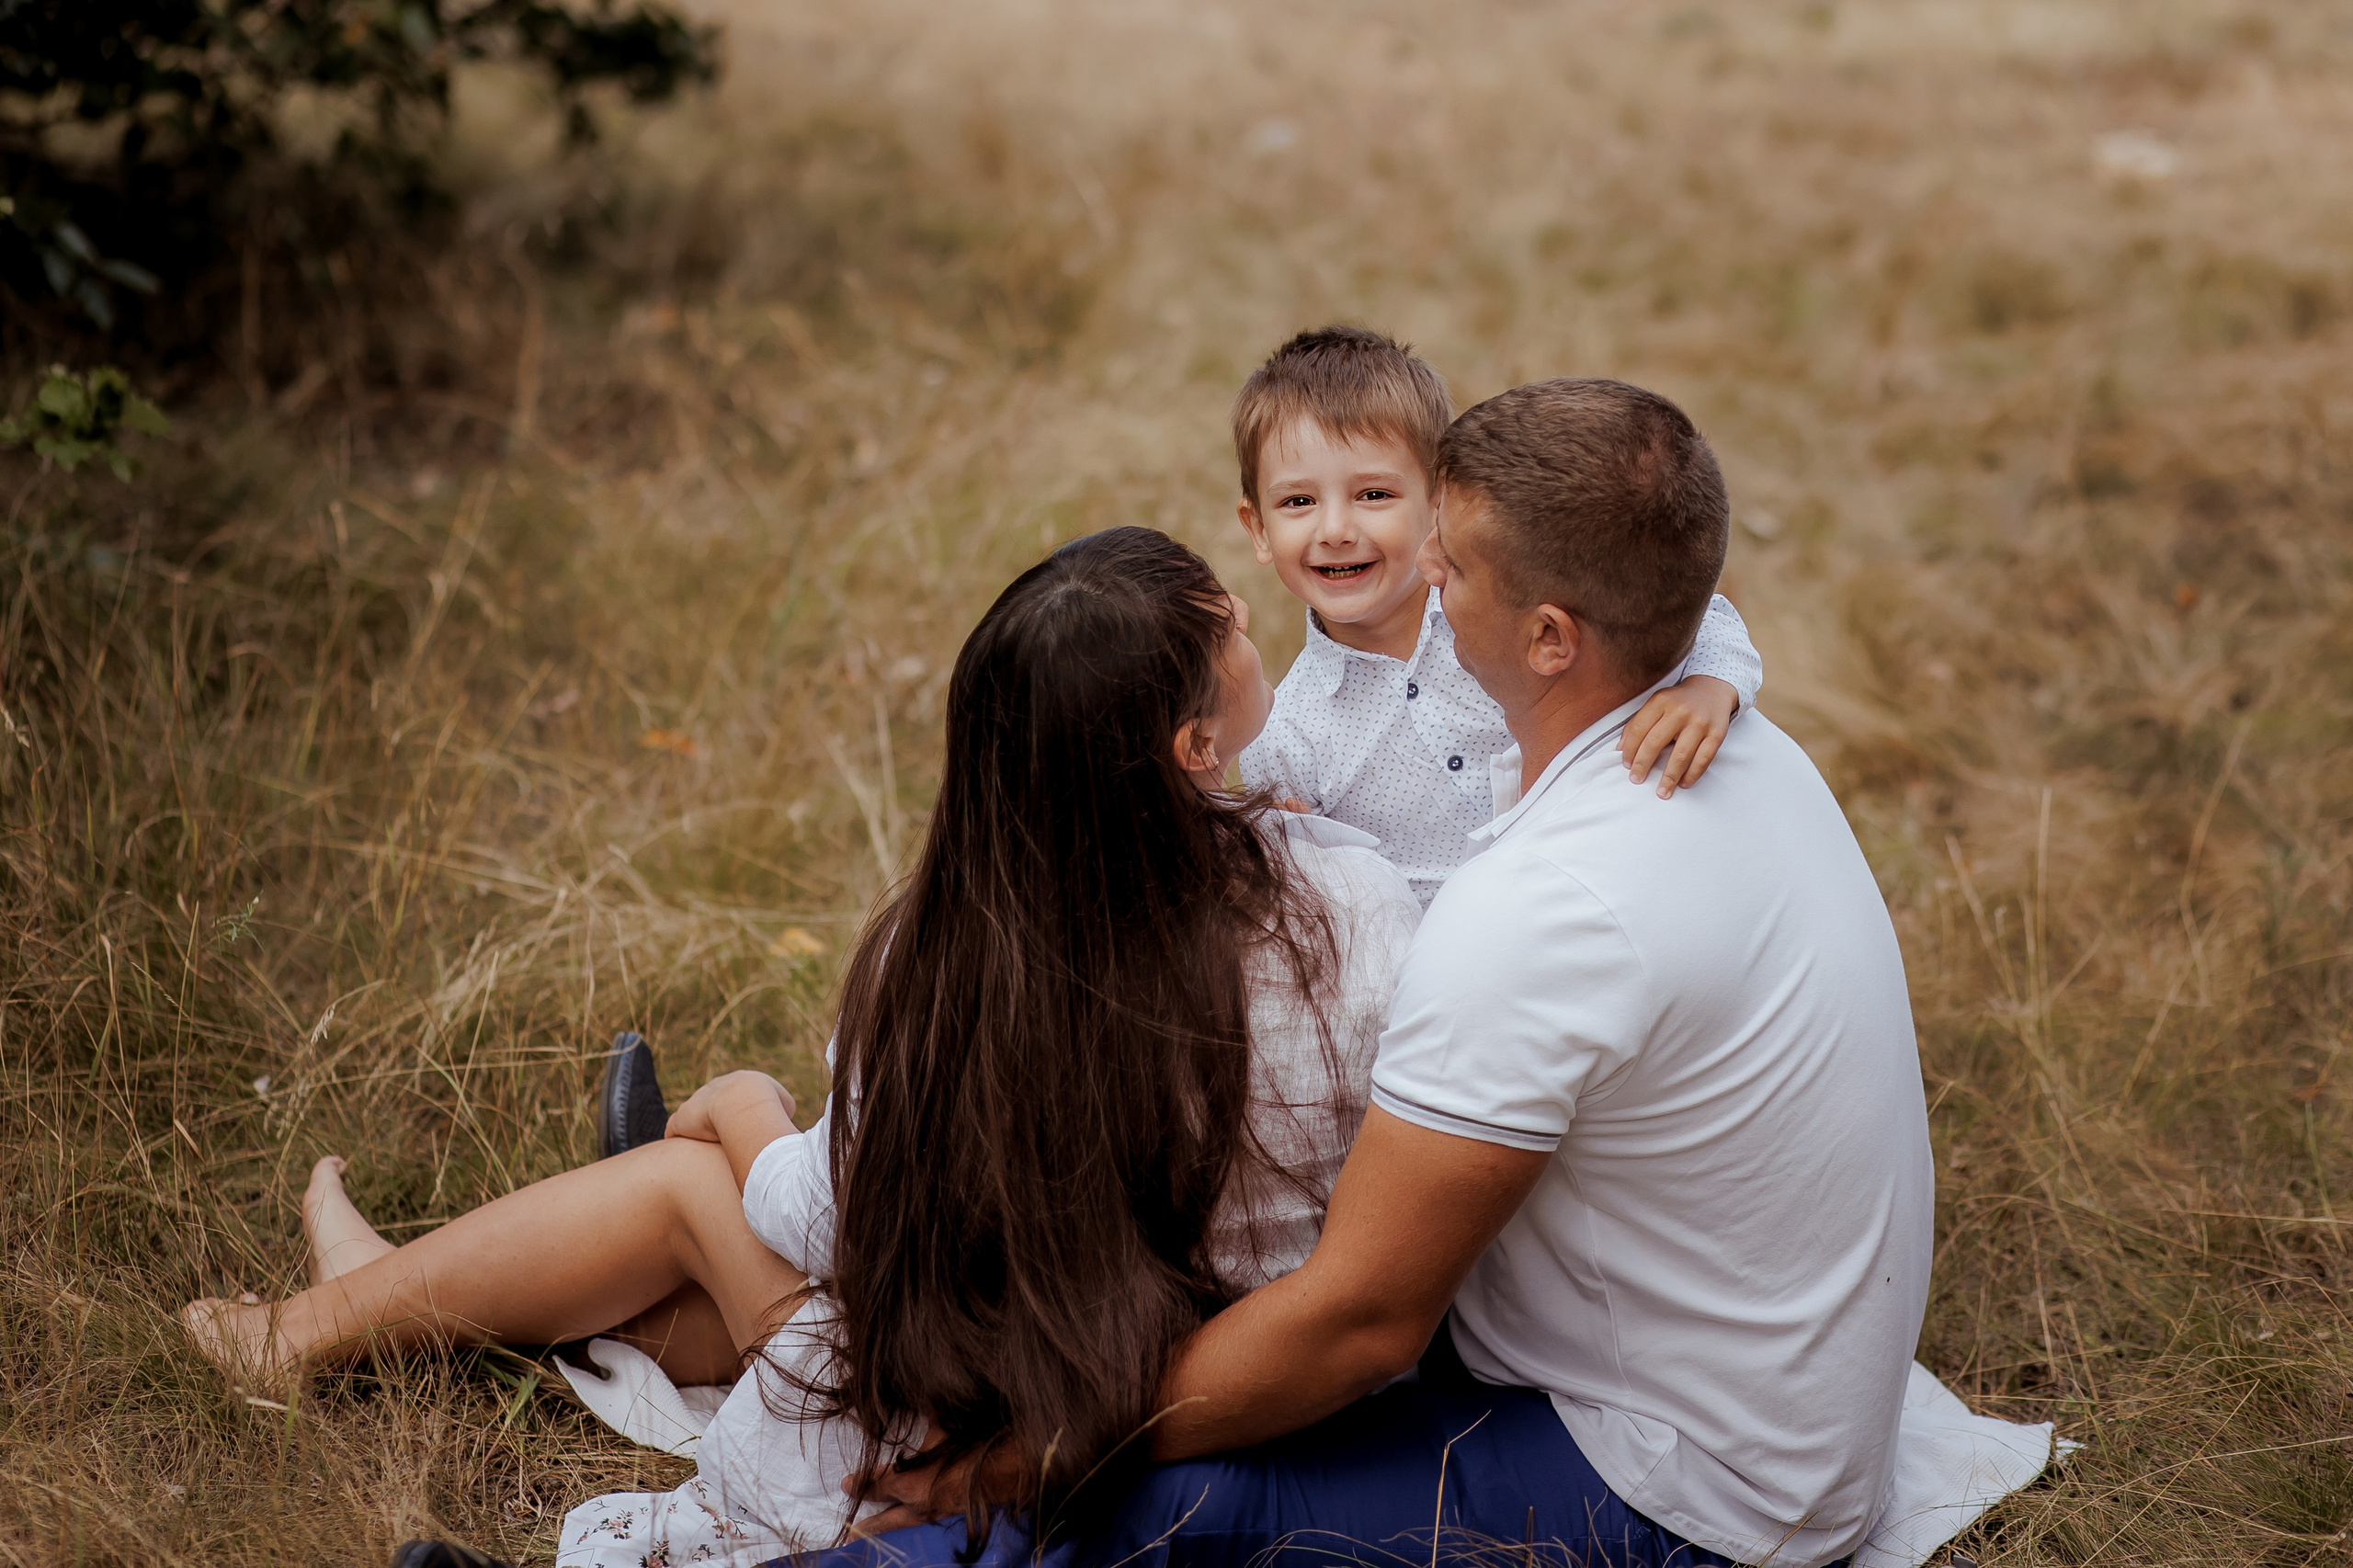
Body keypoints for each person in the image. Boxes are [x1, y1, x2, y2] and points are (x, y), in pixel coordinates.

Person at [838, 380, 1937, 1568]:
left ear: (1552, 635)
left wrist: (1004, 1466)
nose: (1418, 574)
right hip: (1771, 1390)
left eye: (1450, 564)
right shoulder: (1731, 744)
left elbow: (1356, 1325)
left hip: (1691, 1485)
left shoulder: (1535, 910)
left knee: (1113, 1517)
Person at [181, 528, 1422, 1565]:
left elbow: (843, 1228)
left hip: (1035, 1415)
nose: (1263, 629)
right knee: (734, 1206)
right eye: (1238, 634)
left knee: (690, 1181)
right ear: (1195, 748)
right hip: (1245, 1385)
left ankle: (326, 1322)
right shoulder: (1350, 908)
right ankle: (377, 1304)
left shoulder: (940, 963)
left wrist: (735, 1104)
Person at [1232, 326, 1764, 908]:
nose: (1335, 531)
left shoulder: (1501, 608)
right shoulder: (1285, 738)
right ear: (1258, 528)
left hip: (1594, 883)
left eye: (1374, 495)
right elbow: (1322, 906)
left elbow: (1690, 611)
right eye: (1298, 502)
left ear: (1439, 501)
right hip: (1444, 953)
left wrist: (1713, 686)